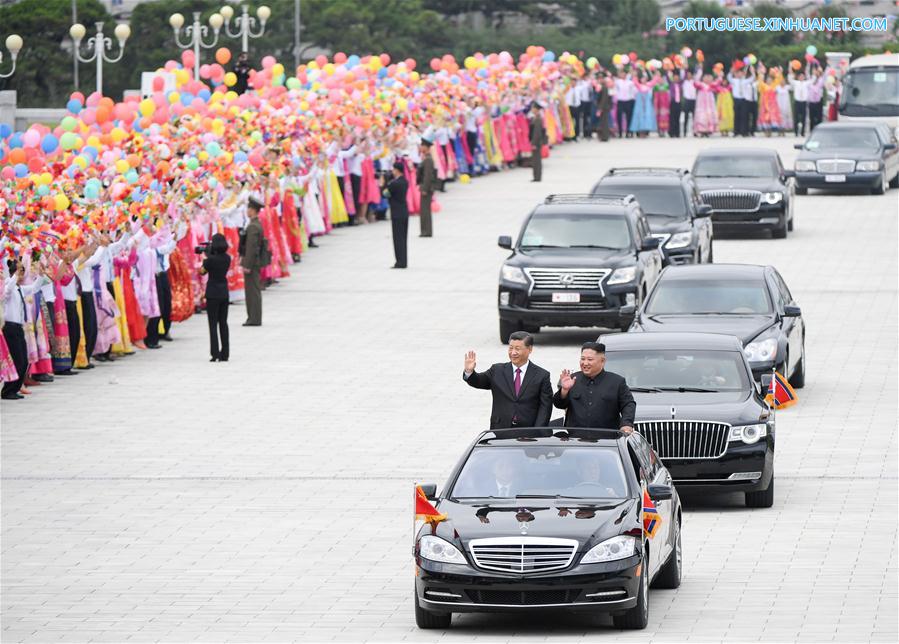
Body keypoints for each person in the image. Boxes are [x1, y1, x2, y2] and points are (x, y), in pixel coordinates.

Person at [462, 331, 553, 429]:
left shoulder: (541, 375)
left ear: (529, 349)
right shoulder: (497, 370)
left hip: (528, 432)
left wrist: (537, 431)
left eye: (517, 349)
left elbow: (546, 407)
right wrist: (469, 371)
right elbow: (478, 381)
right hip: (501, 429)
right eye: (510, 348)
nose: (513, 352)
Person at [552, 342, 636, 432]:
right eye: (582, 359)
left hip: (607, 439)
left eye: (590, 359)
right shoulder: (572, 379)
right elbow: (559, 404)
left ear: (602, 361)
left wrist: (626, 424)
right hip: (575, 439)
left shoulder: (617, 382)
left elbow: (628, 404)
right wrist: (564, 390)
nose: (585, 363)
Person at [200, 234, 231, 362]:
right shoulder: (227, 258)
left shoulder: (210, 260)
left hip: (212, 293)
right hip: (224, 292)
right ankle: (225, 353)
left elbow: (202, 272)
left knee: (213, 324)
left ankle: (215, 353)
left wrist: (205, 258)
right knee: (223, 323)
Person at [240, 196, 265, 326]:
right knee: (253, 290)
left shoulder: (253, 227)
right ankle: (254, 317)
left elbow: (251, 248)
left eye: (249, 208)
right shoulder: (255, 224)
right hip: (255, 262)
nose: (247, 211)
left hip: (252, 263)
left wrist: (247, 264)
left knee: (252, 292)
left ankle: (254, 318)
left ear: (253, 210)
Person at [384, 162, 409, 269]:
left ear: (397, 170)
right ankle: (404, 261)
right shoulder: (405, 182)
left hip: (396, 213)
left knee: (397, 238)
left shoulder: (394, 184)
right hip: (404, 211)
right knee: (403, 238)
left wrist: (384, 183)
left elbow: (385, 193)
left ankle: (399, 262)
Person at [416, 139, 436, 237]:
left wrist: (424, 188)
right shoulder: (426, 158)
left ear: (426, 147)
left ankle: (426, 231)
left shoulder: (428, 160)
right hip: (425, 187)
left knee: (425, 211)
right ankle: (425, 230)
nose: (420, 147)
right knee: (424, 210)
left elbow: (428, 176)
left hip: (426, 188)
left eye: (422, 145)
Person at [529, 103, 546, 182]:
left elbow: (537, 133)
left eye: (533, 108)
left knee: (537, 160)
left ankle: (537, 177)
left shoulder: (538, 118)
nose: (532, 110)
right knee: (535, 160)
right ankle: (536, 176)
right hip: (535, 141)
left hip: (536, 142)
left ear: (536, 109)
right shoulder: (535, 118)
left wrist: (534, 143)